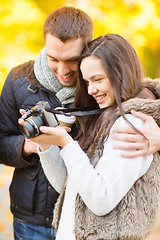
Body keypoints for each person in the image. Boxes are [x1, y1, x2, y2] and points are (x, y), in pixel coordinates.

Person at [30, 34, 160, 239]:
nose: (91, 90)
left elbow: (101, 200)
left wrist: (67, 143)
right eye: (86, 81)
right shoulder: (103, 118)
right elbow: (67, 186)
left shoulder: (133, 124)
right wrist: (46, 146)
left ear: (121, 74)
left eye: (98, 79)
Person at [0, 6, 93, 240]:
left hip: (83, 215)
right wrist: (33, 145)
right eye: (53, 58)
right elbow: (1, 143)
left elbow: (141, 96)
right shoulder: (17, 80)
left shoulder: (100, 83)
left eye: (72, 60)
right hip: (31, 218)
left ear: (88, 48)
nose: (63, 71)